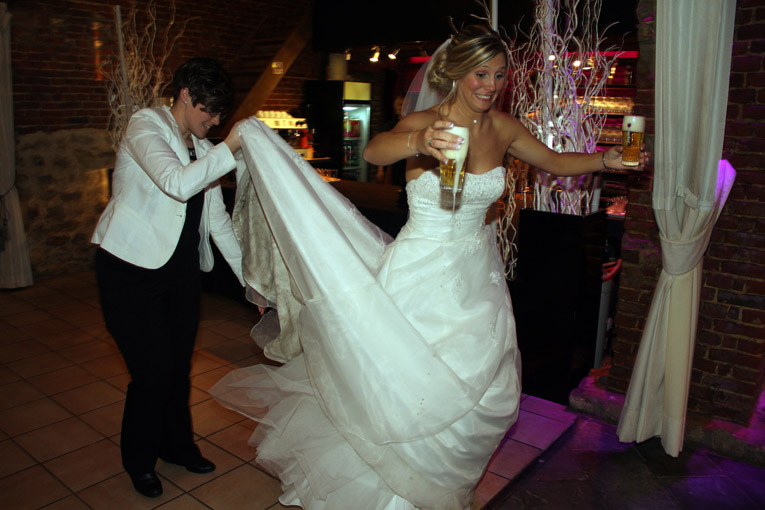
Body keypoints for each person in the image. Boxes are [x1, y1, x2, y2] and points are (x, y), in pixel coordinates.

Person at [212, 23, 647, 510]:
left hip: (477, 277)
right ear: (457, 73)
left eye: (499, 75)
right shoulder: (426, 123)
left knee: (478, 390)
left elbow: (555, 161)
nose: (490, 84)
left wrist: (606, 160)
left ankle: (438, 487)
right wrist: (420, 141)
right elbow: (376, 149)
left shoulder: (503, 128)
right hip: (420, 271)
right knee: (404, 384)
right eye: (480, 73)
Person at [92, 57, 247, 498]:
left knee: (178, 369)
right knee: (153, 373)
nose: (214, 121)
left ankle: (177, 447)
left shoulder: (202, 147)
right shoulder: (145, 126)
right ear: (184, 95)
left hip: (180, 272)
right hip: (129, 269)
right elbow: (176, 183)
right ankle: (139, 461)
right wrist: (230, 147)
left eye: (219, 115)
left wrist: (247, 281)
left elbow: (217, 222)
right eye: (208, 111)